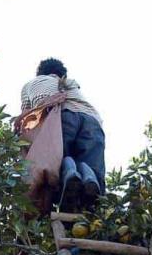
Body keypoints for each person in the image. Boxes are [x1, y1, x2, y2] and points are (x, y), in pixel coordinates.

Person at [20, 58, 106, 211]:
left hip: (63, 116)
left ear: (41, 73)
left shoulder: (32, 84)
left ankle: (70, 176)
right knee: (90, 163)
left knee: (57, 161)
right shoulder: (71, 84)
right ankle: (90, 183)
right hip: (93, 120)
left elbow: (26, 117)